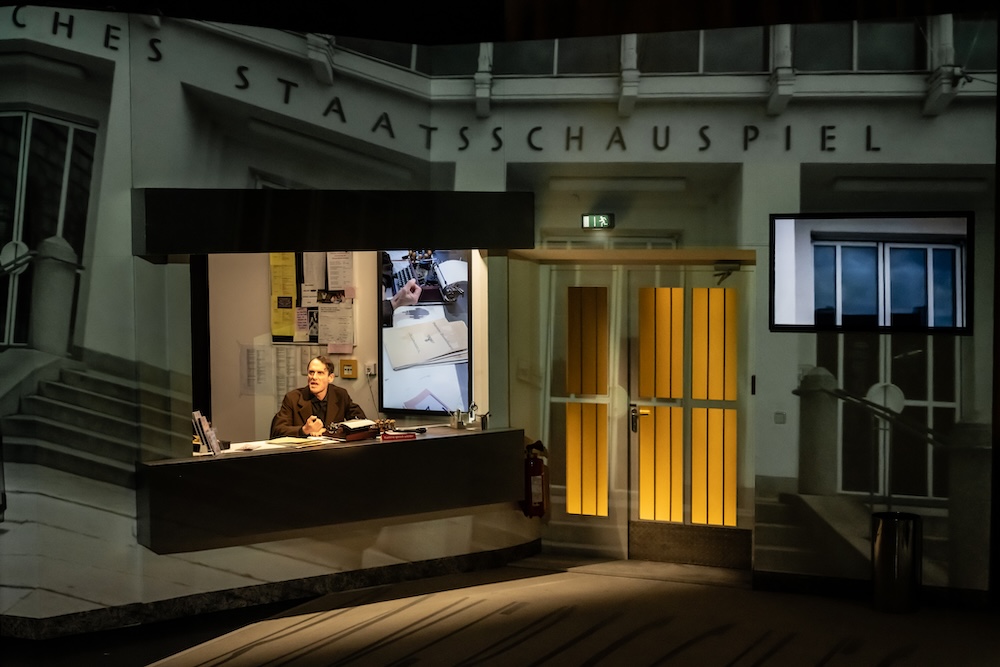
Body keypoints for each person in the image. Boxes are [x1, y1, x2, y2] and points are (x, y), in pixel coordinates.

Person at [270, 356, 365, 438]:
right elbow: (277, 430)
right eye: (311, 372)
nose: (314, 377)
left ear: (330, 378)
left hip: (333, 454)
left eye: (320, 373)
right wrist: (304, 430)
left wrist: (331, 431)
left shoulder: (340, 395)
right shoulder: (293, 398)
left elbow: (360, 421)